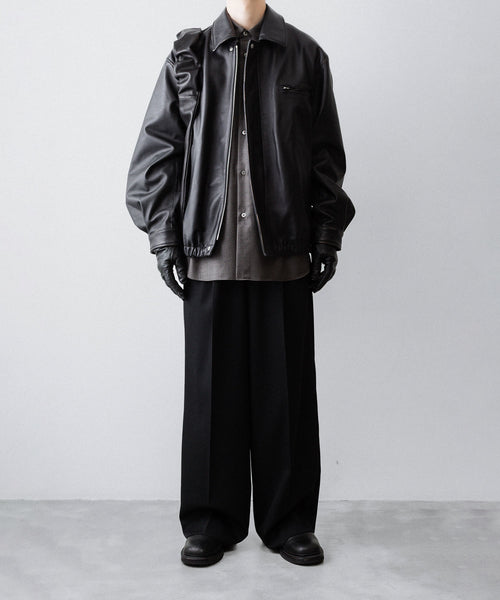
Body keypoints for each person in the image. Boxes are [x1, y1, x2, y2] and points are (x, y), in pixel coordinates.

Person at [126, 0, 355, 567]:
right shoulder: (189, 56)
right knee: (211, 398)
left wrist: (327, 233)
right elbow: (157, 153)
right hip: (207, 254)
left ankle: (290, 522)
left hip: (284, 253)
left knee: (287, 399)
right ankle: (210, 521)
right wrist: (164, 236)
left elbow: (325, 156)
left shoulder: (305, 55)